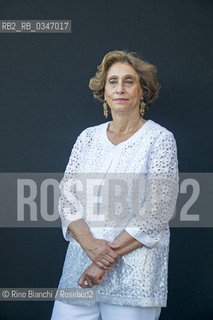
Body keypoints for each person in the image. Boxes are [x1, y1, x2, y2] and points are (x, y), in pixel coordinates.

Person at [51, 50, 179, 320]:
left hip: (135, 276)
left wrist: (101, 262)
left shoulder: (159, 139)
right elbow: (66, 198)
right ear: (104, 92)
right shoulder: (87, 138)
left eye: (129, 81)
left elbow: (158, 210)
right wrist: (89, 247)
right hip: (79, 268)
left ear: (142, 92)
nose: (120, 88)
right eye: (113, 81)